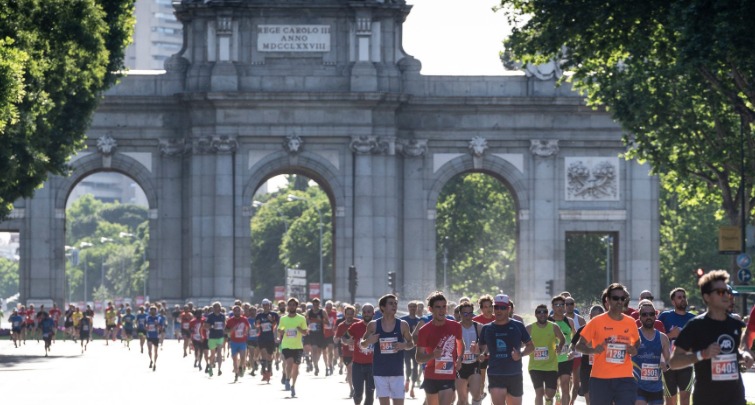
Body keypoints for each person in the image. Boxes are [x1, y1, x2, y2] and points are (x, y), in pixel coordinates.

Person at [668, 270, 754, 405]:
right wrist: (703, 354)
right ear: (707, 297)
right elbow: (674, 362)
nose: (727, 296)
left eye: (727, 292)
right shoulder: (695, 326)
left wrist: (744, 355)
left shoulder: (735, 325)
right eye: (721, 292)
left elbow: (732, 353)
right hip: (707, 398)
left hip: (735, 398)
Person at [575, 283, 641, 405]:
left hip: (625, 378)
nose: (619, 301)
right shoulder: (597, 321)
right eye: (616, 298)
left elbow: (637, 341)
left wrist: (634, 348)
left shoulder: (630, 322)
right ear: (608, 300)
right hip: (600, 379)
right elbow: (579, 345)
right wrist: (592, 350)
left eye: (622, 298)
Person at [477, 294, 534, 405]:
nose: (499, 311)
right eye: (496, 307)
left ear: (508, 309)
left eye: (503, 308)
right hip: (495, 374)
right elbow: (483, 346)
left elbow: (531, 346)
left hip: (514, 374)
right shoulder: (487, 328)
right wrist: (480, 353)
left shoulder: (518, 326)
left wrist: (520, 355)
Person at [361, 294, 415, 405]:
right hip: (380, 372)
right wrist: (368, 341)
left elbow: (411, 343)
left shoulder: (402, 325)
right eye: (390, 303)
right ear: (382, 307)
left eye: (395, 303)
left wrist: (404, 346)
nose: (394, 306)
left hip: (397, 372)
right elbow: (362, 345)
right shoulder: (373, 325)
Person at [416, 291, 464, 405]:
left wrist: (460, 358)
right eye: (438, 307)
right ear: (430, 309)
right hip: (431, 375)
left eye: (444, 307)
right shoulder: (424, 330)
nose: (442, 310)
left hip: (448, 374)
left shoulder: (455, 326)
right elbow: (418, 357)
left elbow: (460, 343)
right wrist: (432, 355)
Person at [657, 287, 696, 405]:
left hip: (686, 363)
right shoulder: (664, 316)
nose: (683, 299)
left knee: (685, 399)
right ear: (673, 301)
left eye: (684, 297)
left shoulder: (693, 319)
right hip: (668, 363)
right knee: (671, 401)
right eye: (679, 298)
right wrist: (671, 334)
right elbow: (656, 338)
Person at [633, 300, 671, 405]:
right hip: (638, 385)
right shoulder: (635, 336)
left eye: (651, 314)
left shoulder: (662, 338)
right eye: (645, 315)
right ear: (640, 318)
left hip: (656, 387)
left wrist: (666, 365)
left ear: (655, 316)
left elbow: (668, 360)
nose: (648, 317)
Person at [527, 304, 566, 405]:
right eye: (539, 312)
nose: (542, 314)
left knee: (550, 394)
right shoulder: (530, 328)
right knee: (539, 393)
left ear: (547, 314)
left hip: (551, 366)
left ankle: (549, 401)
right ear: (535, 314)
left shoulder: (553, 327)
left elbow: (562, 338)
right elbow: (521, 342)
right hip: (535, 366)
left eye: (544, 312)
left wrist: (560, 346)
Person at [571, 305, 604, 405]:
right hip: (586, 368)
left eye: (599, 317)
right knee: (589, 399)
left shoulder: (607, 330)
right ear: (589, 316)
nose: (596, 320)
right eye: (593, 317)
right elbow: (573, 345)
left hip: (602, 368)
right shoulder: (583, 329)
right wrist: (572, 352)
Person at [279, 297, 309, 398]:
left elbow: (305, 332)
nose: (292, 307)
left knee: (296, 368)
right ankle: (287, 378)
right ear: (288, 306)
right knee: (289, 363)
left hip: (298, 346)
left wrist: (300, 329)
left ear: (296, 306)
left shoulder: (301, 318)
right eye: (290, 305)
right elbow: (279, 329)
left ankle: (293, 386)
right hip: (286, 345)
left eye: (293, 305)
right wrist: (281, 332)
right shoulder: (283, 319)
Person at [456, 301, 485, 405]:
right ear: (460, 314)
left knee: (476, 394)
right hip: (460, 366)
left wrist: (481, 352)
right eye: (465, 313)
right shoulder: (456, 327)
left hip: (474, 364)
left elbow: (485, 346)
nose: (468, 316)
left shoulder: (479, 327)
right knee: (462, 399)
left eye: (470, 313)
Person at [550, 295, 576, 405]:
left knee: (565, 387)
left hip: (566, 359)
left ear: (564, 307)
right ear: (552, 307)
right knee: (551, 389)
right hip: (551, 361)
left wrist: (572, 350)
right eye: (557, 305)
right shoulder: (548, 322)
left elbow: (575, 338)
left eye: (562, 305)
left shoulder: (569, 321)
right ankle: (556, 396)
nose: (560, 308)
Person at [350, 303, 375, 405]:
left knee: (370, 394)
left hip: (372, 365)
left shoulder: (378, 326)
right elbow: (346, 335)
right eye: (364, 312)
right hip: (357, 365)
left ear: (373, 313)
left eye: (369, 312)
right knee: (358, 393)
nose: (366, 314)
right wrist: (346, 340)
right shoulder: (355, 327)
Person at [563, 295, 586, 405]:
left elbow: (585, 337)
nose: (569, 306)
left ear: (574, 305)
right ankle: (564, 401)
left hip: (577, 354)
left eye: (571, 304)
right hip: (563, 356)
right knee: (564, 382)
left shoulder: (580, 320)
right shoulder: (559, 319)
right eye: (567, 304)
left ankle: (572, 401)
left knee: (576, 381)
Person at [473, 294, 495, 398]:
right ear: (481, 308)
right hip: (481, 355)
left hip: (495, 355)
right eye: (485, 307)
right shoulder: (476, 321)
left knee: (494, 382)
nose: (489, 309)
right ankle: (480, 398)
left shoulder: (498, 319)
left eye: (490, 306)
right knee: (481, 381)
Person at [399, 301, 421, 398]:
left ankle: (412, 388)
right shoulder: (403, 320)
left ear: (416, 309)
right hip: (406, 347)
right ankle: (407, 380)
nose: (412, 308)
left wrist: (417, 331)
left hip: (416, 347)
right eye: (410, 307)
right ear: (408, 308)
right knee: (407, 365)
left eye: (414, 307)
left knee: (415, 367)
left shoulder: (420, 321)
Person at [336, 304, 358, 398]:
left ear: (354, 314)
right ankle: (352, 388)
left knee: (356, 370)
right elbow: (337, 337)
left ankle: (357, 387)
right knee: (349, 369)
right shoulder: (341, 326)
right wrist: (344, 341)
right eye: (348, 314)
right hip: (346, 352)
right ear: (344, 314)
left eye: (351, 314)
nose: (349, 316)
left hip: (358, 352)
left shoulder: (359, 323)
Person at [256, 298, 280, 382]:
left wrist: (272, 320)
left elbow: (278, 324)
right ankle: (263, 374)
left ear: (269, 305)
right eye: (264, 305)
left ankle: (269, 372)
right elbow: (256, 325)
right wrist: (256, 323)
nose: (265, 306)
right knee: (263, 354)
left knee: (269, 356)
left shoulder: (274, 314)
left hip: (271, 337)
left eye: (267, 305)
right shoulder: (259, 315)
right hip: (262, 337)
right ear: (262, 306)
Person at [306, 297, 330, 376]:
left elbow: (328, 323)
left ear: (319, 304)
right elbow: (304, 320)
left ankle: (315, 363)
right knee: (314, 350)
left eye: (317, 304)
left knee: (319, 352)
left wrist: (321, 320)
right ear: (312, 304)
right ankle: (316, 366)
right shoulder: (309, 312)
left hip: (320, 334)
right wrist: (307, 322)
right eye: (314, 304)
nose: (316, 306)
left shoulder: (322, 312)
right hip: (312, 334)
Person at [225, 305, 249, 382]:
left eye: (239, 311)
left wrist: (247, 331)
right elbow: (225, 331)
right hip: (234, 342)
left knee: (243, 358)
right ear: (233, 312)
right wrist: (232, 329)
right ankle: (236, 374)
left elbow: (249, 327)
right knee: (235, 360)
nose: (237, 312)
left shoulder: (244, 319)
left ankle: (241, 368)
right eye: (236, 311)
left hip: (242, 341)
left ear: (241, 312)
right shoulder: (230, 321)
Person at [203, 301, 227, 377]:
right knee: (212, 354)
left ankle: (219, 369)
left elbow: (224, 324)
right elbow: (204, 326)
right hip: (212, 337)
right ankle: (210, 366)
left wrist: (225, 328)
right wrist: (213, 327)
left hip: (220, 336)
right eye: (216, 307)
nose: (218, 308)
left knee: (219, 353)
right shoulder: (210, 316)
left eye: (219, 307)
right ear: (213, 308)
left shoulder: (223, 316)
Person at [145, 305, 164, 371]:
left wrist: (157, 325)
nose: (153, 311)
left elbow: (161, 327)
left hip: (156, 336)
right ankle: (151, 360)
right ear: (150, 311)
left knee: (155, 350)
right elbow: (145, 326)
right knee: (149, 349)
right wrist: (147, 327)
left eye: (154, 310)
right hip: (149, 335)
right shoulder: (147, 318)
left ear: (156, 311)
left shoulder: (159, 318)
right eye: (151, 310)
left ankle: (155, 363)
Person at [323, 300, 338, 376]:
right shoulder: (322, 313)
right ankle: (326, 367)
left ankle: (330, 365)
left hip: (331, 334)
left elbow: (336, 322)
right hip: (323, 334)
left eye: (330, 307)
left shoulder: (334, 313)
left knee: (330, 350)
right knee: (324, 352)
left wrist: (335, 328)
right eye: (327, 307)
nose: (328, 309)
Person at [244, 304, 259, 377]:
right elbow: (244, 329)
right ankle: (253, 369)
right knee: (251, 355)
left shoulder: (258, 319)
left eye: (254, 310)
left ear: (256, 311)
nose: (253, 312)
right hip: (250, 339)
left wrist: (257, 327)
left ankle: (256, 362)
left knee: (257, 355)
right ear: (249, 312)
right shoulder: (247, 320)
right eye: (251, 311)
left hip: (258, 339)